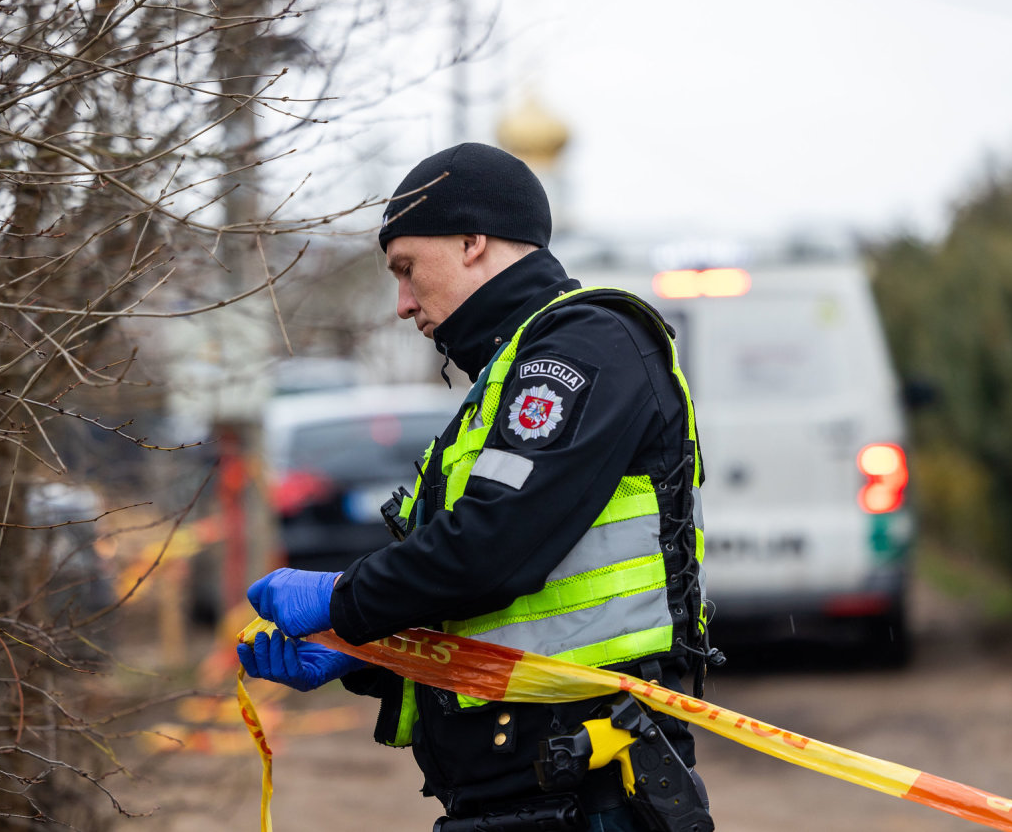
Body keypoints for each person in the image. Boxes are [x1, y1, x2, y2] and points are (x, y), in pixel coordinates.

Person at [237, 143, 714, 831]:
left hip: (590, 795)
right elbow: (504, 617)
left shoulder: (583, 346)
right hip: (525, 795)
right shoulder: (507, 373)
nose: (402, 303)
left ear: (471, 242)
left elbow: (493, 550)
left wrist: (342, 598)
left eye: (406, 269)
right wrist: (358, 652)